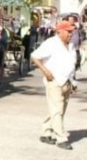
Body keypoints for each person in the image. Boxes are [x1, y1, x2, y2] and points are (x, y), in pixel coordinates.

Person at [30, 21, 78, 150]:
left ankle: (46, 132)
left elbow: (71, 64)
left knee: (59, 110)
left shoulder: (71, 45)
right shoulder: (51, 43)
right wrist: (45, 71)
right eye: (68, 31)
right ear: (59, 32)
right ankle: (61, 138)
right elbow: (34, 56)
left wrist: (73, 82)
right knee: (57, 109)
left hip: (67, 81)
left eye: (71, 31)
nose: (71, 34)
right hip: (54, 80)